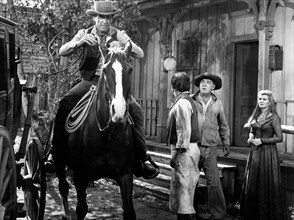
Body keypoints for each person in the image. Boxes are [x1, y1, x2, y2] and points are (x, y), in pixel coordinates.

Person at [45, 0, 159, 179]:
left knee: (136, 111)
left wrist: (124, 44)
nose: (104, 21)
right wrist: (79, 43)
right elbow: (62, 51)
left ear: (112, 18)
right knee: (65, 103)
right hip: (89, 81)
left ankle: (141, 158)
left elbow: (140, 53)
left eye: (107, 17)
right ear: (94, 17)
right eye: (100, 17)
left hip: (113, 84)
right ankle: (55, 152)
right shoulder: (84, 33)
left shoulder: (119, 34)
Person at [240, 90, 288, 220]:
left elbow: (279, 138)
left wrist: (262, 140)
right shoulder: (256, 115)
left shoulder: (274, 117)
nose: (261, 101)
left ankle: (266, 215)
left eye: (264, 99)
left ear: (270, 102)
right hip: (254, 152)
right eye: (260, 98)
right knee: (253, 180)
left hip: (268, 154)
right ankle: (252, 214)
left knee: (265, 181)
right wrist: (251, 137)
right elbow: (252, 129)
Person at [191, 72, 230, 220]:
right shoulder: (191, 101)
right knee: (191, 181)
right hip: (193, 146)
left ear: (213, 87)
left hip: (210, 148)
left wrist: (226, 142)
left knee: (213, 182)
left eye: (208, 82)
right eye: (202, 82)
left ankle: (218, 214)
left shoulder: (218, 103)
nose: (204, 84)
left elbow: (223, 125)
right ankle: (191, 212)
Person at [167, 72, 201, 220]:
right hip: (185, 149)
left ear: (173, 86)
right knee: (182, 191)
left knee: (185, 192)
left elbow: (184, 131)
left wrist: (176, 154)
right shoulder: (185, 100)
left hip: (184, 150)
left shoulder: (182, 103)